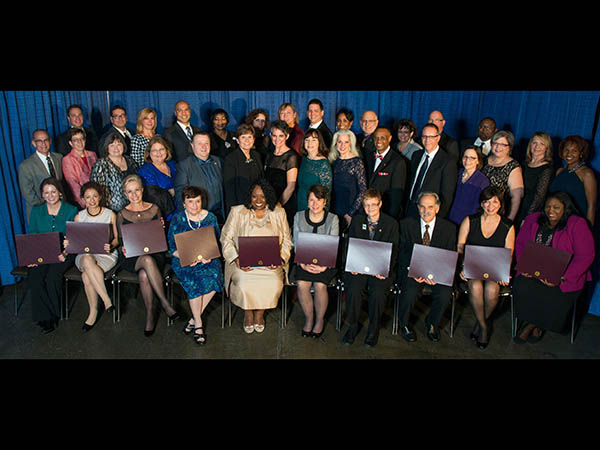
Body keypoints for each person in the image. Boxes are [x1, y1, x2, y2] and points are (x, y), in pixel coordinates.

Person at [512, 192, 595, 343]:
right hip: (533, 270)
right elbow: (520, 244)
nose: (551, 211)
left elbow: (585, 257)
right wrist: (523, 265)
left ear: (566, 208)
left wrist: (562, 277)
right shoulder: (533, 219)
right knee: (522, 286)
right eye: (548, 207)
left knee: (551, 294)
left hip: (565, 276)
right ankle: (534, 323)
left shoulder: (577, 224)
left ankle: (533, 325)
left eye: (556, 207)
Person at [220, 179, 293, 334]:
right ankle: (248, 314)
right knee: (244, 283)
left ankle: (259, 314)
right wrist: (235, 258)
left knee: (274, 282)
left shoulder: (279, 212)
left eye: (263, 196)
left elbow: (287, 240)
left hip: (271, 265)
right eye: (254, 196)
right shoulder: (237, 212)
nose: (258, 201)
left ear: (269, 197)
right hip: (243, 263)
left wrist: (280, 259)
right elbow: (225, 238)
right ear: (249, 197)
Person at [116, 175, 179, 336]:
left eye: (137, 190)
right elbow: (122, 240)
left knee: (144, 275)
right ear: (125, 193)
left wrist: (161, 228)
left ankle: (150, 315)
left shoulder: (155, 209)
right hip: (132, 258)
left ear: (142, 190)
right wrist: (123, 247)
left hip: (154, 253)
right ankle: (165, 304)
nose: (134, 195)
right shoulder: (121, 214)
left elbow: (160, 236)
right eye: (129, 192)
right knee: (145, 261)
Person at [457, 186, 515, 349]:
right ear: (481, 204)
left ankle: (480, 323)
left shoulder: (508, 226)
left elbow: (509, 253)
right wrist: (462, 265)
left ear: (501, 204)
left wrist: (505, 272)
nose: (490, 206)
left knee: (492, 289)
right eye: (486, 202)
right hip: (472, 266)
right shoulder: (470, 220)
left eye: (495, 202)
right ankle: (484, 327)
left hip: (494, 268)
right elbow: (460, 247)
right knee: (475, 285)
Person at [341, 188, 399, 348]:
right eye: (367, 205)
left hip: (380, 269)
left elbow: (394, 250)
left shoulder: (391, 224)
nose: (370, 208)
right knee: (353, 288)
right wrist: (352, 264)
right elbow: (350, 245)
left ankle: (373, 329)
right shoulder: (358, 221)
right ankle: (353, 325)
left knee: (378, 292)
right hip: (359, 266)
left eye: (374, 204)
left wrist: (385, 269)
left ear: (380, 204)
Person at [396, 192, 457, 343]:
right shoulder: (406, 224)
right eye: (422, 207)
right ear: (417, 208)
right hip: (413, 270)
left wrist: (436, 274)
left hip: (437, 272)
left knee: (444, 293)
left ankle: (432, 323)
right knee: (409, 291)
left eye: (430, 207)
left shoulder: (449, 228)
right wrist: (413, 269)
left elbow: (449, 256)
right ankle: (403, 325)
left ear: (437, 208)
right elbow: (401, 253)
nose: (425, 211)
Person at [168, 186, 224, 346]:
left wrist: (209, 255)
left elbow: (216, 241)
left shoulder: (210, 218)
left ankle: (193, 318)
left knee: (215, 279)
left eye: (197, 201)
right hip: (184, 260)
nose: (194, 205)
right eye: (190, 202)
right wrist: (185, 256)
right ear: (184, 203)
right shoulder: (178, 219)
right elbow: (172, 247)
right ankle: (199, 325)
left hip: (207, 258)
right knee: (195, 282)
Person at [63, 181, 119, 332]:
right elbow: (73, 242)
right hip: (85, 254)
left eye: (95, 196)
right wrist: (67, 243)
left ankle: (93, 312)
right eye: (88, 197)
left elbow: (116, 239)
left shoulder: (110, 214)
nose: (92, 200)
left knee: (86, 276)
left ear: (100, 197)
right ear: (83, 198)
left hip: (105, 254)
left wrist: (111, 245)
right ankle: (106, 300)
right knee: (87, 258)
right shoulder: (79, 217)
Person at [25, 177, 78, 333]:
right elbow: (33, 235)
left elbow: (74, 238)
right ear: (42, 195)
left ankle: (53, 315)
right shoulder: (36, 211)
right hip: (41, 252)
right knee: (35, 275)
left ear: (59, 192)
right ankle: (43, 316)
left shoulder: (71, 210)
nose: (50, 195)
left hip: (64, 253)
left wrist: (65, 252)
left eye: (53, 191)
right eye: (46, 192)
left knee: (52, 278)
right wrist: (31, 257)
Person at [292, 184, 339, 338]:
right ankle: (309, 319)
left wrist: (323, 267)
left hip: (326, 262)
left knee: (320, 285)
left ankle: (319, 321)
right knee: (302, 284)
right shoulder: (298, 216)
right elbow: (296, 243)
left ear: (325, 202)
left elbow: (334, 244)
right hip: (303, 260)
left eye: (319, 200)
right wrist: (303, 263)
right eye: (312, 200)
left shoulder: (333, 219)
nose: (315, 204)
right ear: (307, 202)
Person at [406, 123, 458, 219]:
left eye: (431, 137)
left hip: (430, 214)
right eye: (424, 136)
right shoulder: (416, 155)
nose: (427, 140)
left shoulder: (447, 162)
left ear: (438, 138)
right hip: (410, 208)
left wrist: (438, 219)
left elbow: (447, 196)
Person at [174, 131, 224, 223]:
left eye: (206, 143)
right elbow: (180, 195)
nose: (204, 147)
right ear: (192, 146)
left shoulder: (219, 161)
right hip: (198, 218)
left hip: (220, 215)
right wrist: (188, 220)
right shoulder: (184, 165)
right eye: (199, 143)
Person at [549, 135, 597, 227]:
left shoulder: (587, 174)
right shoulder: (559, 171)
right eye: (566, 150)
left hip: (575, 224)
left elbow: (591, 206)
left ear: (581, 153)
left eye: (574, 151)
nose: (569, 154)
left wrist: (587, 230)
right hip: (556, 222)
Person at [19, 129, 64, 222]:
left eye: (46, 140)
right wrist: (48, 207)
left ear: (50, 141)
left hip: (61, 210)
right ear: (33, 143)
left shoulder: (59, 158)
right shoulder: (26, 166)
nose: (43, 144)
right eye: (39, 141)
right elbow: (28, 193)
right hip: (40, 212)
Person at [481, 130, 524, 222]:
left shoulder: (513, 167)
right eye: (495, 143)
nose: (498, 147)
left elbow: (516, 197)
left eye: (503, 145)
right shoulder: (484, 161)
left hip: (498, 214)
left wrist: (509, 220)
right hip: (480, 210)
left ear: (509, 147)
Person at [90, 132, 139, 212]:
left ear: (123, 145)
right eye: (112, 145)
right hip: (111, 211)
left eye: (119, 144)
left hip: (132, 208)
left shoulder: (130, 161)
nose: (116, 148)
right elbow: (96, 192)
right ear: (107, 147)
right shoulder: (101, 165)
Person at [364, 127, 407, 219]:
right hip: (368, 210)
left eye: (383, 138)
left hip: (385, 213)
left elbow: (396, 196)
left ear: (390, 138)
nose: (379, 141)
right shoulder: (368, 157)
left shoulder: (398, 162)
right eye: (376, 138)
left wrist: (389, 218)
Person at [329, 129, 367, 230]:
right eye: (339, 142)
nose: (342, 145)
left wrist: (350, 213)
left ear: (351, 144)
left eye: (346, 142)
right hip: (335, 208)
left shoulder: (357, 162)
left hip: (351, 209)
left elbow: (363, 190)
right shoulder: (333, 161)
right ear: (335, 144)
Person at [515, 131, 554, 226]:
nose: (537, 147)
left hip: (530, 211)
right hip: (516, 206)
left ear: (547, 148)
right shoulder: (523, 164)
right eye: (534, 143)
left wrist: (527, 217)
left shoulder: (547, 169)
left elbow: (539, 196)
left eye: (542, 144)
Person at [223, 124, 264, 215]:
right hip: (239, 206)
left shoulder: (256, 156)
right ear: (237, 140)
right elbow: (229, 188)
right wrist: (234, 211)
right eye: (243, 137)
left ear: (253, 139)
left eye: (250, 137)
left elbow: (262, 181)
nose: (247, 140)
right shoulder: (231, 158)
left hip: (256, 204)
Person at [265, 120, 299, 225]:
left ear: (287, 136)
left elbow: (291, 186)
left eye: (281, 136)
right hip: (268, 204)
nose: (277, 139)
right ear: (271, 135)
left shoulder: (291, 156)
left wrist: (278, 206)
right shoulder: (269, 155)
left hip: (284, 205)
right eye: (274, 135)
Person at [137, 135, 178, 221]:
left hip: (181, 211)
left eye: (161, 149)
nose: (158, 153)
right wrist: (174, 191)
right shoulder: (145, 171)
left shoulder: (173, 165)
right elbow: (153, 197)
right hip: (162, 216)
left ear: (167, 150)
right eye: (154, 150)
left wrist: (175, 191)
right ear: (149, 153)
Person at [447, 146, 490, 226]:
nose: (467, 161)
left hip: (466, 223)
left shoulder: (483, 181)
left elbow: (478, 207)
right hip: (449, 219)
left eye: (472, 158)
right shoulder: (456, 173)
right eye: (465, 157)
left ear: (478, 161)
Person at [297, 127, 332, 212]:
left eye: (314, 140)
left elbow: (327, 193)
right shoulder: (304, 159)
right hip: (300, 205)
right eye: (307, 140)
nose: (310, 143)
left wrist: (322, 216)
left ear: (319, 143)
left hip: (315, 209)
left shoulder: (323, 164)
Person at [61, 128, 98, 209]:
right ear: (70, 143)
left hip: (97, 197)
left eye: (81, 139)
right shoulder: (67, 159)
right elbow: (72, 183)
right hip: (82, 201)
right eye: (75, 140)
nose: (79, 142)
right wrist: (86, 201)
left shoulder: (93, 154)